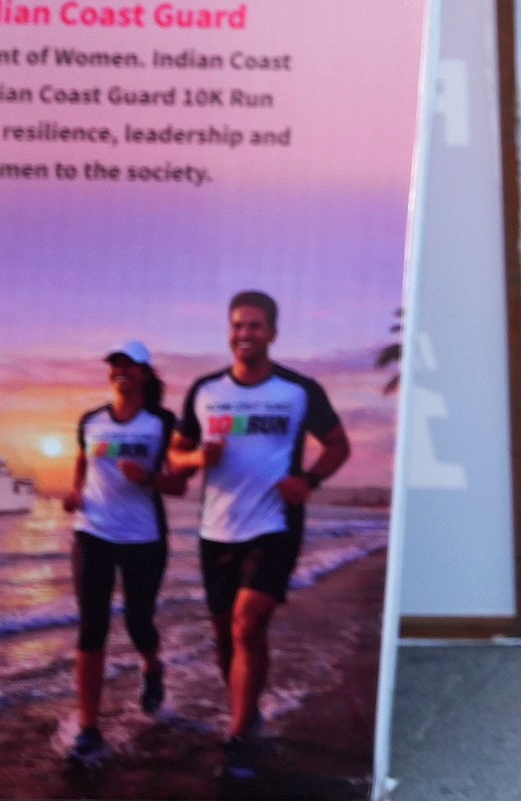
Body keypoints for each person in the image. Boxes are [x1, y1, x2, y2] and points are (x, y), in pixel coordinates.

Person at [173, 290, 349, 774]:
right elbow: (175, 455)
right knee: (224, 636)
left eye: (254, 325)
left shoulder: (299, 390)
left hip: (274, 524)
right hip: (216, 528)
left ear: (272, 333)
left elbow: (337, 444)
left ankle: (238, 737)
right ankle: (247, 713)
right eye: (237, 325)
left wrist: (309, 480)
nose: (244, 334)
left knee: (247, 624)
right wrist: (196, 458)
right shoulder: (205, 391)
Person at [63, 340, 185, 766]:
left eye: (130, 365)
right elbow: (83, 461)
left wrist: (148, 477)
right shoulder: (91, 420)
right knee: (91, 626)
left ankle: (152, 666)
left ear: (145, 373)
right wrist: (76, 492)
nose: (121, 371)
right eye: (115, 364)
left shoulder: (162, 423)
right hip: (92, 532)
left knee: (138, 622)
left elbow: (179, 484)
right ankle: (89, 728)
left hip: (143, 537)